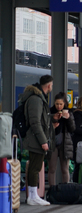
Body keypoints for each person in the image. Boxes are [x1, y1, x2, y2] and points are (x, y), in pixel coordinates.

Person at [21, 75, 54, 205]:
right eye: (52, 85)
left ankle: (33, 195)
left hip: (37, 138)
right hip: (35, 139)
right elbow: (35, 122)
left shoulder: (38, 98)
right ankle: (32, 197)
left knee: (35, 166)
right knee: (34, 167)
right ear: (49, 85)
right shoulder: (36, 99)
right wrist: (43, 141)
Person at [48, 92, 75, 186]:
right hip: (53, 142)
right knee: (52, 168)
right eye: (57, 104)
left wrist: (68, 118)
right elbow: (45, 126)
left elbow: (72, 129)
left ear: (64, 104)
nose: (58, 106)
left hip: (64, 142)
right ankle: (52, 189)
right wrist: (53, 122)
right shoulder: (50, 112)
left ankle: (65, 189)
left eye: (61, 104)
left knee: (65, 169)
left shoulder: (68, 112)